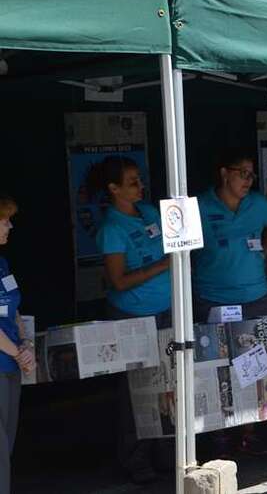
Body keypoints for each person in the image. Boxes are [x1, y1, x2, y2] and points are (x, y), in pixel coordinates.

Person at [92, 156, 171, 484]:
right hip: (133, 315)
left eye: (140, 179)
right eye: (132, 182)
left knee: (166, 385)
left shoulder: (149, 212)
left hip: (167, 309)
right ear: (113, 189)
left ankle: (167, 452)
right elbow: (118, 282)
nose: (140, 186)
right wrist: (162, 266)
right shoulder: (112, 228)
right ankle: (136, 459)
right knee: (136, 391)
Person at [193, 147, 267, 321]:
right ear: (224, 173)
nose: (248, 180)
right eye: (243, 173)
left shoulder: (258, 203)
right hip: (212, 298)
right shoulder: (199, 206)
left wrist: (264, 251)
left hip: (256, 296)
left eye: (251, 175)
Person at [0, 195, 35, 494]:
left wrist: (25, 344)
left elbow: (14, 310)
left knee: (7, 443)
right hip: (4, 361)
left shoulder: (2, 263)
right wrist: (19, 353)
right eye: (4, 220)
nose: (9, 226)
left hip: (12, 363)